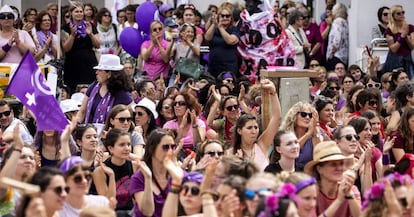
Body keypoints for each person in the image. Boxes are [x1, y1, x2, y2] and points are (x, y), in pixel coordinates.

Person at [230, 79, 281, 171]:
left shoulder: (262, 145)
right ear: (239, 130)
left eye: (256, 127)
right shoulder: (230, 153)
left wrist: (273, 93)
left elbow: (276, 118)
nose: (254, 131)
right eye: (249, 128)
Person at [304, 141, 361, 217]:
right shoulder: (311, 193)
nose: (339, 168)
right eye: (333, 164)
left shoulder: (351, 190)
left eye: (341, 163)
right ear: (319, 169)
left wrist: (349, 193)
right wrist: (339, 200)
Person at [130, 129, 176, 217]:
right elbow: (147, 212)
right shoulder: (138, 178)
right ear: (152, 149)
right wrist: (148, 179)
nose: (170, 151)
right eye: (166, 147)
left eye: (173, 147)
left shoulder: (177, 175)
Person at [76, 54, 133, 125]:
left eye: (100, 70)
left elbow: (130, 116)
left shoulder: (122, 94)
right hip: (90, 131)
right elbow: (82, 111)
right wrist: (75, 125)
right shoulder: (93, 87)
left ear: (109, 74)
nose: (96, 73)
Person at [93, 128, 137, 215]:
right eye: (122, 145)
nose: (127, 148)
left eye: (128, 144)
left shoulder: (135, 166)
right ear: (111, 148)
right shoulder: (100, 171)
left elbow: (137, 200)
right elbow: (108, 203)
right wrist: (111, 176)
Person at [61, 1, 100, 92]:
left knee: (90, 89)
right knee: (72, 90)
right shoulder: (65, 28)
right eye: (76, 11)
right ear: (71, 13)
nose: (79, 14)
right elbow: (66, 48)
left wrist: (90, 34)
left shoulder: (90, 25)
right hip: (73, 64)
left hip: (88, 62)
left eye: (81, 11)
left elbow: (98, 45)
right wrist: (72, 35)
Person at [0, 126, 35, 216]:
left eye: (32, 158)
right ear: (9, 161)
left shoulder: (38, 187)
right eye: (22, 157)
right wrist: (18, 148)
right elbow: (2, 185)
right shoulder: (8, 190)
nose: (29, 160)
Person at [280, 101, 322, 166]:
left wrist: (315, 126)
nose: (307, 117)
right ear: (294, 116)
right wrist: (307, 134)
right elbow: (290, 150)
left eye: (310, 115)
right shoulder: (285, 134)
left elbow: (320, 153)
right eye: (303, 114)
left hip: (308, 174)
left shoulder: (314, 134)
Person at [204, 6, 239, 77]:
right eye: (222, 16)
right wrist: (214, 24)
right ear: (218, 17)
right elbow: (207, 38)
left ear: (231, 18)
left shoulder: (234, 29)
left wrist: (220, 27)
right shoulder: (214, 29)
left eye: (227, 16)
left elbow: (230, 41)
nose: (225, 18)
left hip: (229, 65)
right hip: (214, 65)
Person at [383, 5, 414, 78]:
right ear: (393, 16)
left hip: (407, 59)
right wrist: (402, 36)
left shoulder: (410, 27)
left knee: (410, 81)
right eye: (398, 13)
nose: (402, 15)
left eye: (403, 12)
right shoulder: (389, 30)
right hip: (394, 59)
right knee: (393, 81)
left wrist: (406, 37)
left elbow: (412, 46)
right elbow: (393, 49)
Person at [326, 3, 349, 71]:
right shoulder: (344, 22)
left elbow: (337, 39)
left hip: (336, 55)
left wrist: (332, 53)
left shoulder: (337, 22)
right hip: (343, 56)